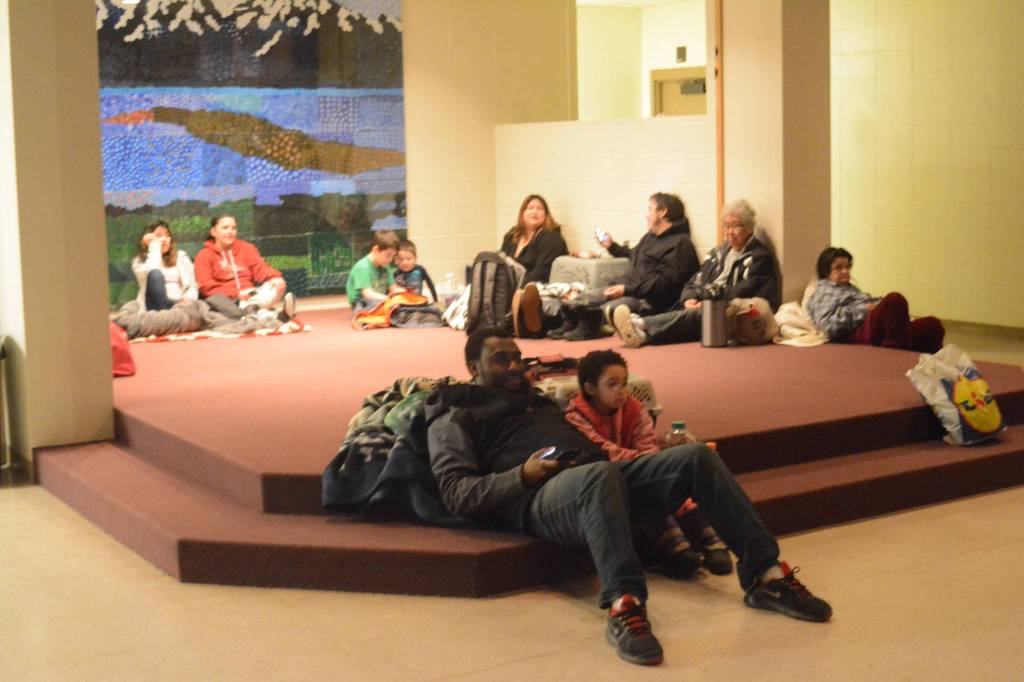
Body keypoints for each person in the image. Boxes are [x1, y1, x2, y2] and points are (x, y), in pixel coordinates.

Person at [426, 327, 832, 667]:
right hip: (540, 498)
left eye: (517, 357)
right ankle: (625, 602)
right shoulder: (454, 413)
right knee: (597, 475)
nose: (515, 366)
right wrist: (522, 475)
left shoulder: (537, 399)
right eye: (500, 359)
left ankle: (767, 577)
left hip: (602, 479)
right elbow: (457, 493)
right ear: (473, 367)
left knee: (694, 457)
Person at [564, 350, 733, 577]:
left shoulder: (633, 407)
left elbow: (647, 443)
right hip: (608, 478)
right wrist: (645, 464)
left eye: (624, 383)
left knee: (669, 481)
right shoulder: (575, 416)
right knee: (645, 491)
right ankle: (675, 543)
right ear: (590, 388)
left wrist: (650, 464)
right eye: (612, 384)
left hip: (639, 467)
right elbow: (602, 450)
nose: (621, 390)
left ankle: (708, 538)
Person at [610, 198, 778, 348]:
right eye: (726, 226)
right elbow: (695, 280)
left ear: (749, 227)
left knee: (702, 314)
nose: (729, 232)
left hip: (733, 309)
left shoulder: (758, 257)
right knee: (686, 311)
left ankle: (640, 327)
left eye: (735, 226)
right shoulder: (718, 253)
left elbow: (742, 290)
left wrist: (708, 300)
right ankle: (640, 329)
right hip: (707, 301)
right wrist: (689, 298)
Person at [549, 192, 698, 341]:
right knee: (582, 298)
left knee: (609, 309)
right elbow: (633, 254)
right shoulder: (650, 238)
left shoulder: (681, 244)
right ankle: (569, 325)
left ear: (663, 212)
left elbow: (663, 283)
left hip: (648, 300)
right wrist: (611, 246)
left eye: (650, 209)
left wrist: (625, 290)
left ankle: (589, 329)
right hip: (627, 287)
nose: (646, 215)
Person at [805, 246, 945, 353]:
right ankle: (894, 355)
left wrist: (880, 305)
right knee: (894, 299)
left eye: (847, 267)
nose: (845, 271)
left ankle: (929, 367)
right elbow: (828, 326)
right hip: (860, 332)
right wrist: (865, 309)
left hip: (876, 326)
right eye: (838, 268)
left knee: (932, 325)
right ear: (825, 272)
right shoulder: (823, 293)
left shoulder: (848, 288)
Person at [193, 214, 295, 319]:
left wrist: (274, 277)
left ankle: (253, 309)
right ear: (213, 232)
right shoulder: (203, 255)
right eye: (225, 228)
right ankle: (276, 316)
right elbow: (206, 286)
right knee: (236, 307)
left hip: (251, 294)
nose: (230, 231)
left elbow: (259, 267)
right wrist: (236, 293)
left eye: (233, 228)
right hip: (229, 299)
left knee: (276, 286)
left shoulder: (246, 248)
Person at [501, 195, 568, 337]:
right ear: (522, 213)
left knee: (527, 294)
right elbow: (502, 262)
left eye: (539, 209)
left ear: (546, 214)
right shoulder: (512, 235)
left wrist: (517, 288)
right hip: (510, 284)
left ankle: (523, 322)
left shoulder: (551, 238)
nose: (534, 212)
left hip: (537, 285)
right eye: (530, 208)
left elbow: (543, 271)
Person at [131, 220, 197, 311]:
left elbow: (192, 287)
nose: (164, 239)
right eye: (158, 236)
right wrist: (154, 245)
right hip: (154, 308)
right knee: (156, 274)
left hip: (179, 305)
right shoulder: (139, 261)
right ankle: (166, 314)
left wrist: (188, 298)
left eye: (167, 235)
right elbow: (152, 269)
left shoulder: (181, 257)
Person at [346, 231, 400, 312]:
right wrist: (389, 299)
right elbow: (368, 294)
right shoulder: (363, 267)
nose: (390, 260)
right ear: (376, 250)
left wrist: (404, 295)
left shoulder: (385, 265)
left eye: (393, 256)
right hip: (362, 303)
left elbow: (393, 288)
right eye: (388, 255)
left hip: (380, 300)